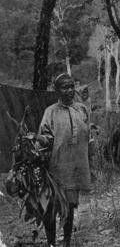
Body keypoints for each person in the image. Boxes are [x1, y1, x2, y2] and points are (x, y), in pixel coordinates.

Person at [37, 73, 93, 247]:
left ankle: (67, 241)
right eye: (64, 87)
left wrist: (91, 162)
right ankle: (51, 242)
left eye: (71, 86)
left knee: (69, 207)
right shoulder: (51, 112)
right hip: (57, 168)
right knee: (51, 208)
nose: (69, 90)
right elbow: (44, 136)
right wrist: (42, 140)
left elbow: (88, 137)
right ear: (57, 90)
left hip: (76, 166)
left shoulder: (82, 109)